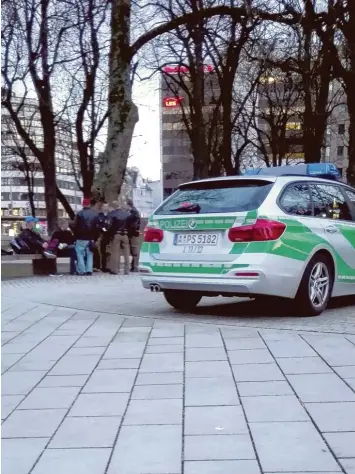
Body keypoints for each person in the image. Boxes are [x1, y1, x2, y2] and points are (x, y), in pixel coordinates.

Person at [72, 197, 99, 275]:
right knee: (90, 253)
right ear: (90, 204)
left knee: (80, 253)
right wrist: (95, 238)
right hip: (91, 238)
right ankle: (89, 270)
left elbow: (75, 225)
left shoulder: (79, 214)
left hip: (80, 237)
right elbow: (97, 227)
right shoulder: (95, 214)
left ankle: (81, 270)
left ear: (83, 204)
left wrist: (75, 235)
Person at [107, 201, 130, 275]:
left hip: (116, 234)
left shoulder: (112, 214)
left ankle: (115, 270)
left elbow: (109, 226)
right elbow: (132, 224)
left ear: (113, 207)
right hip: (125, 234)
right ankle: (127, 270)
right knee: (126, 253)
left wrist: (110, 233)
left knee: (115, 253)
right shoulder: (127, 214)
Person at [126, 199, 141, 272]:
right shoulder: (134, 212)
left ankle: (135, 266)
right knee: (134, 250)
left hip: (133, 234)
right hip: (134, 233)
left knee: (134, 250)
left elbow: (134, 224)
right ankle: (134, 266)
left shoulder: (133, 213)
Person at [96, 202, 111, 272]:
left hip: (109, 236)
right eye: (104, 206)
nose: (105, 208)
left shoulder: (110, 215)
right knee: (101, 251)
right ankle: (101, 266)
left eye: (107, 206)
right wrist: (102, 229)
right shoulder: (99, 215)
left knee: (107, 252)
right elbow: (97, 225)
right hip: (101, 235)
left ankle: (107, 266)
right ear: (102, 207)